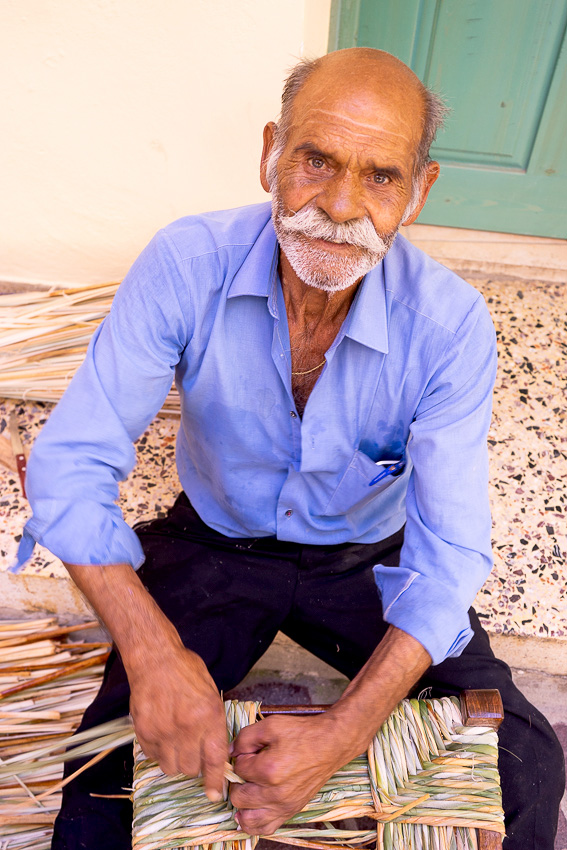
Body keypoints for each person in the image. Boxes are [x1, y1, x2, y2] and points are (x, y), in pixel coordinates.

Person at [17, 48, 563, 849]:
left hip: (364, 559)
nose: (340, 206)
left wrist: (344, 731)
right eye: (315, 160)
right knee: (106, 784)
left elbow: (448, 556)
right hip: (214, 541)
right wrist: (153, 653)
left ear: (419, 192)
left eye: (380, 177)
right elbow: (71, 464)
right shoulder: (185, 262)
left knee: (525, 763)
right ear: (271, 152)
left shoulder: (447, 326)